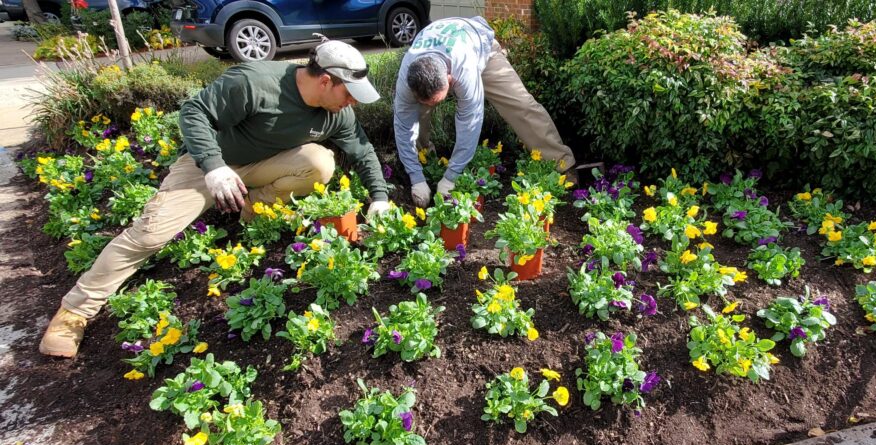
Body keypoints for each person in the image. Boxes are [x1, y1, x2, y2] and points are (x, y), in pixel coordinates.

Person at [40, 40, 392, 358]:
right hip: (209, 167)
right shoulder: (255, 82)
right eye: (349, 93)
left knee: (319, 163)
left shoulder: (337, 112)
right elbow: (194, 113)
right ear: (326, 81)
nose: (352, 102)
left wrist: (379, 198)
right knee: (151, 233)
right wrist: (214, 167)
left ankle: (250, 207)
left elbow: (361, 151)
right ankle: (74, 311)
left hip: (263, 167)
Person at [393, 16, 577, 207]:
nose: (434, 106)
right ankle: (424, 162)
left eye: (436, 101)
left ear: (450, 79)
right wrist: (416, 178)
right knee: (417, 114)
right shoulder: (408, 77)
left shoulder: (464, 71)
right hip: (442, 52)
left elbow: (470, 123)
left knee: (520, 104)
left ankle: (561, 163)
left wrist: (451, 177)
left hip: (480, 48)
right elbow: (403, 124)